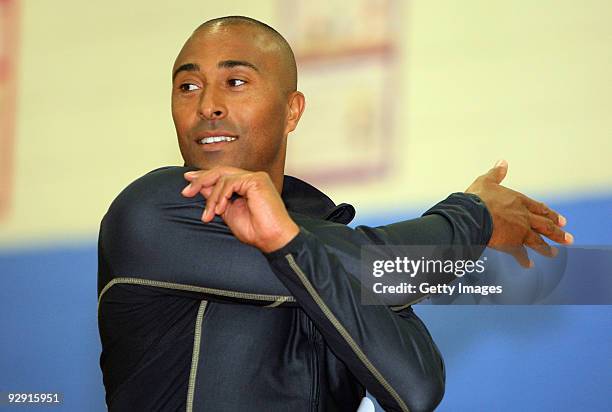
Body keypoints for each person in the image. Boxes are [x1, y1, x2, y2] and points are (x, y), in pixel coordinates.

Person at [97, 16, 572, 412]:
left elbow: (417, 390)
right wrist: (476, 215)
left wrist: (294, 245)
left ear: (292, 112)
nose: (208, 106)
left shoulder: (322, 242)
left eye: (235, 82)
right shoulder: (155, 209)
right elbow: (381, 265)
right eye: (188, 86)